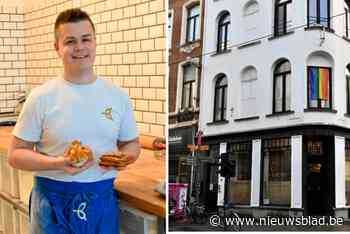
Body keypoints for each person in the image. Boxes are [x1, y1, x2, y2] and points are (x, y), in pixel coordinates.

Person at [8, 8, 140, 234]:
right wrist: (58, 163)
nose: (80, 47)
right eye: (70, 41)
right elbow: (16, 155)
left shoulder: (118, 96)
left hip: (101, 201)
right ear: (57, 48)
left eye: (85, 39)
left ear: (95, 42)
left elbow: (131, 144)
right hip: (51, 202)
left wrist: (126, 157)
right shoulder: (41, 97)